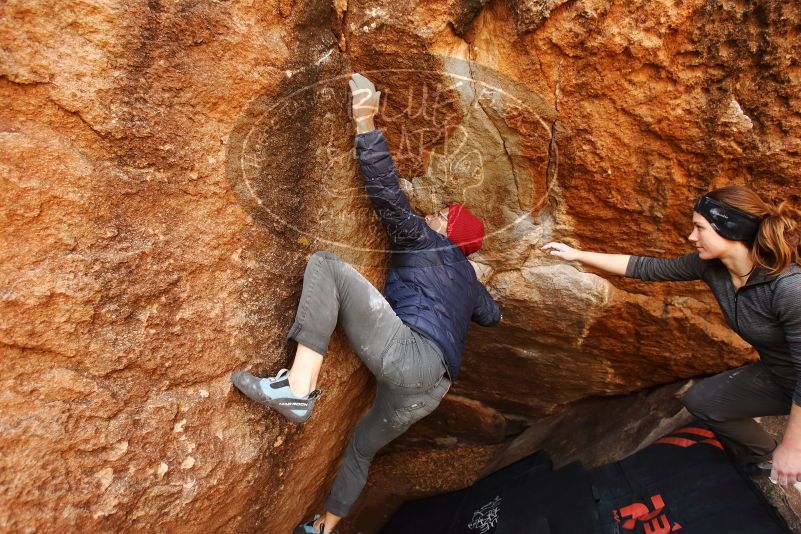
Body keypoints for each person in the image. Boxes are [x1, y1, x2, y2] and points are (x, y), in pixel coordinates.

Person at [230, 73, 501, 534]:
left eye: (441, 215)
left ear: (447, 232)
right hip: (430, 391)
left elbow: (386, 193)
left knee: (327, 265)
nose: (431, 213)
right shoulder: (470, 284)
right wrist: (480, 282)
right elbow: (493, 317)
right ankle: (324, 528)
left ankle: (297, 388)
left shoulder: (421, 239)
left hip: (412, 356)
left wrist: (364, 120)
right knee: (360, 448)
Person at [542, 185, 801, 485]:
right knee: (703, 401)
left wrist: (793, 447)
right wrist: (576, 254)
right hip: (779, 377)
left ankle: (789, 459)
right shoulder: (712, 267)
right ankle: (766, 460)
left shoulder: (789, 289)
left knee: (792, 447)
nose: (692, 237)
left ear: (731, 229)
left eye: (700, 228)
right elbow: (647, 267)